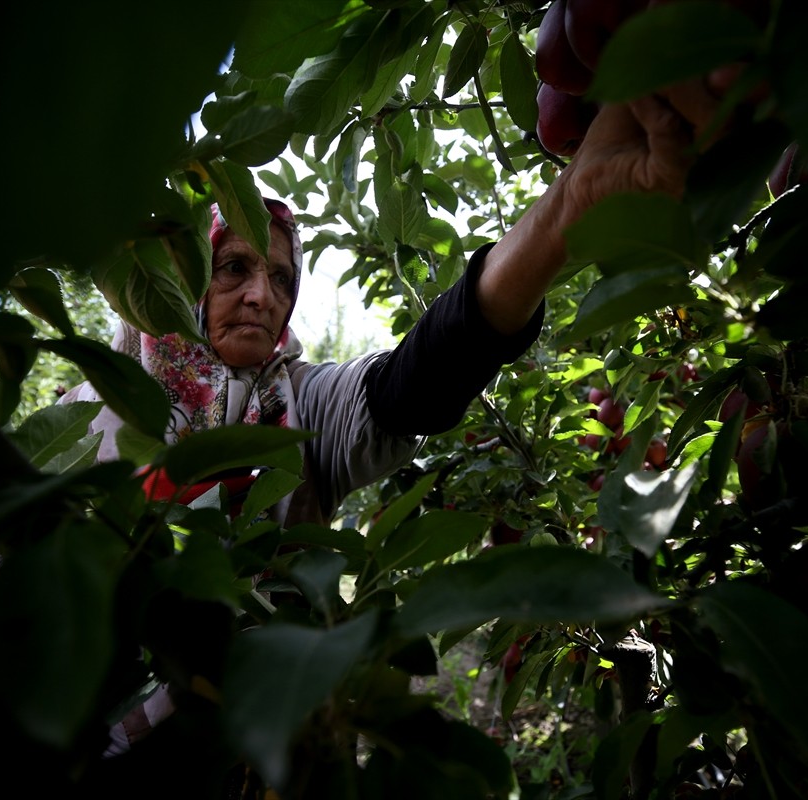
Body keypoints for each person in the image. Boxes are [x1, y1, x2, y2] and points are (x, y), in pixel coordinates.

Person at [57, 71, 745, 763]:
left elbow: (416, 379)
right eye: (233, 267)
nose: (263, 295)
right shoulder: (87, 411)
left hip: (252, 751)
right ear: (181, 277)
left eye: (282, 278)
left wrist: (567, 207)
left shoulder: (298, 406)